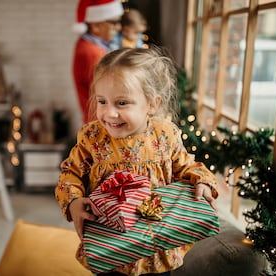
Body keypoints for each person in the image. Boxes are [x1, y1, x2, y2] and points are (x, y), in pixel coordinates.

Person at [55, 47, 218, 275]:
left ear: (151, 103)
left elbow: (187, 166)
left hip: (156, 245)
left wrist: (202, 181)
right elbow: (70, 173)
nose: (109, 113)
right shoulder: (92, 137)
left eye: (122, 103)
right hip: (110, 244)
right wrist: (73, 201)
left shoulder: (165, 135)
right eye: (102, 101)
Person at [72, 0, 124, 124]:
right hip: (102, 125)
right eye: (114, 22)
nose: (119, 27)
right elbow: (114, 90)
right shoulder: (93, 54)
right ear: (96, 26)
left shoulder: (92, 47)